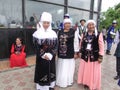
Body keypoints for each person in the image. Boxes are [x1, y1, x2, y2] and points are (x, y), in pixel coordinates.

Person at [33, 12, 57, 90]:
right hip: (41, 58)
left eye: (48, 23)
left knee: (51, 71)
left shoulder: (53, 33)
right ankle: (41, 87)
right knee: (42, 71)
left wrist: (50, 54)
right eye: (44, 23)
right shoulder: (37, 33)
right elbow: (36, 47)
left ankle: (50, 86)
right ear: (41, 23)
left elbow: (56, 45)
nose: (46, 24)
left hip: (51, 58)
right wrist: (43, 55)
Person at [77, 20, 104, 90]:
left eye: (92, 25)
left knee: (94, 72)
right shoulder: (84, 33)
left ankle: (93, 84)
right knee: (86, 70)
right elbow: (81, 43)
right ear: (87, 26)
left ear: (94, 26)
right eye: (89, 25)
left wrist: (101, 56)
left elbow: (101, 46)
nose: (91, 26)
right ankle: (86, 83)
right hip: (85, 56)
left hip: (94, 56)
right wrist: (80, 51)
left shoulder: (98, 34)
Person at [56, 18, 79, 87]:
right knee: (61, 66)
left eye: (69, 23)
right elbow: (57, 42)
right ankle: (60, 81)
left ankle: (68, 81)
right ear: (64, 24)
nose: (67, 25)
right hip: (61, 52)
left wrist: (76, 53)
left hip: (70, 52)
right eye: (66, 23)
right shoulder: (59, 31)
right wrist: (57, 51)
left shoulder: (74, 31)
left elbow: (76, 42)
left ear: (70, 24)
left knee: (69, 67)